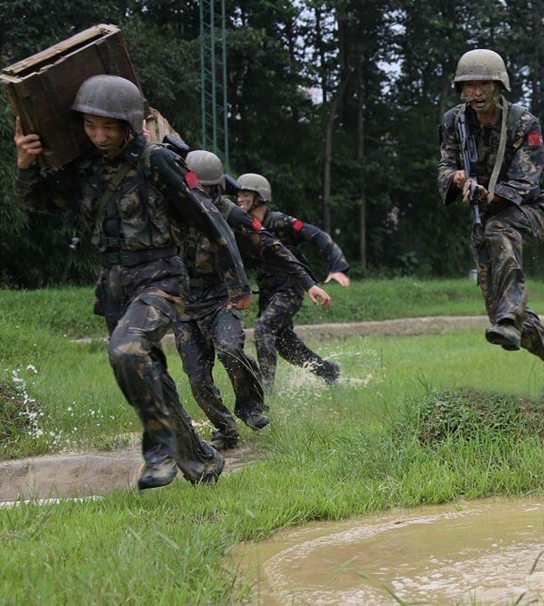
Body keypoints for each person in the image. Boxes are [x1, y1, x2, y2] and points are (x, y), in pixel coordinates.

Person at [13, 75, 249, 490]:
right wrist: (26, 166)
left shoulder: (157, 160)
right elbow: (43, 203)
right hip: (113, 285)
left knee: (126, 351)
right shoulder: (84, 166)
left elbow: (209, 218)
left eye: (109, 127)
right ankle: (202, 463)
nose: (99, 136)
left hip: (161, 276)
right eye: (90, 126)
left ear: (129, 123)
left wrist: (237, 284)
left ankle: (159, 450)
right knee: (149, 372)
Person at [176, 151, 331, 450]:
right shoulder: (171, 208)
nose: (202, 196)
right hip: (184, 303)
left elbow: (272, 246)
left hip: (223, 298)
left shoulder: (230, 212)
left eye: (209, 190)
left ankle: (251, 406)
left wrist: (308, 283)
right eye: (197, 189)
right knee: (197, 378)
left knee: (230, 349)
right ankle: (225, 429)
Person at [437, 48, 544, 390]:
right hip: (485, 220)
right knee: (496, 313)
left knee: (501, 228)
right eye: (469, 86)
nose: (476, 93)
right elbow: (445, 164)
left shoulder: (523, 122)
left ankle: (512, 316)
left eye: (484, 85)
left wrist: (488, 193)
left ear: (499, 86)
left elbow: (528, 178)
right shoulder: (454, 121)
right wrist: (455, 179)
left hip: (530, 213)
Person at [236, 173, 350, 389]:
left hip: (290, 287)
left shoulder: (280, 221)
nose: (239, 197)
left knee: (263, 328)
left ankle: (266, 390)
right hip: (268, 290)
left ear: (259, 197)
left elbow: (318, 236)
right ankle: (329, 371)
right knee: (285, 344)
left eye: (245, 193)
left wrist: (337, 267)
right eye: (238, 193)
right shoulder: (243, 227)